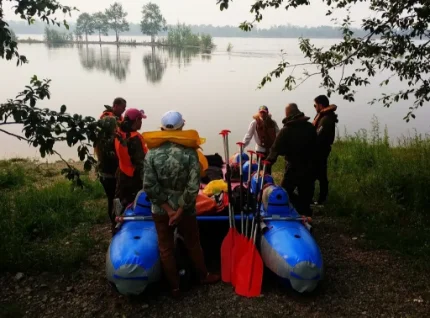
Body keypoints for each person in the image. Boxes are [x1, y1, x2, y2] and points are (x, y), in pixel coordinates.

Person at [143, 111, 220, 298]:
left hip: (161, 210)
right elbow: (193, 186)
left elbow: (149, 186)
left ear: (161, 129)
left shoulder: (151, 154)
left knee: (165, 248)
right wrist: (178, 211)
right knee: (193, 243)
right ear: (182, 128)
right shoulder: (189, 153)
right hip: (185, 209)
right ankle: (203, 275)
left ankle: (175, 287)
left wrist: (169, 211)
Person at [266, 103, 317, 216]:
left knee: (283, 193)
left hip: (293, 168)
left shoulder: (286, 131)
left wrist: (266, 167)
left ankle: (296, 213)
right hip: (310, 167)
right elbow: (316, 147)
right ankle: (306, 217)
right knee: (306, 196)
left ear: (288, 115)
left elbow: (274, 151)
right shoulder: (310, 127)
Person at [95, 97, 126, 229]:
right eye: (123, 107)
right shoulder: (108, 121)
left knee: (115, 196)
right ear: (115, 106)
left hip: (109, 169)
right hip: (109, 170)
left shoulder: (115, 120)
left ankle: (116, 221)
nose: (124, 110)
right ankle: (114, 223)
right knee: (113, 197)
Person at [113, 108, 148, 220]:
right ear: (136, 120)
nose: (141, 122)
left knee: (120, 201)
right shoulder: (135, 139)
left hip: (122, 172)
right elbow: (140, 164)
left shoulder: (119, 132)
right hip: (133, 178)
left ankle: (116, 224)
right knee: (132, 203)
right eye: (140, 119)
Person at [312, 95, 339, 205]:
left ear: (321, 105)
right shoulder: (323, 116)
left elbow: (318, 135)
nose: (315, 107)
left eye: (315, 105)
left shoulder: (326, 119)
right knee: (318, 174)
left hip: (321, 150)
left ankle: (321, 199)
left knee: (320, 174)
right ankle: (318, 198)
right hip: (320, 149)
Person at [242, 105, 280, 174]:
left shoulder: (272, 123)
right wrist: (242, 146)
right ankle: (259, 183)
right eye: (261, 112)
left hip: (270, 150)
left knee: (268, 169)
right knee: (260, 168)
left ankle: (267, 182)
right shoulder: (254, 123)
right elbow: (248, 135)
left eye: (264, 112)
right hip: (260, 150)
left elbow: (278, 135)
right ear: (258, 113)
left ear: (267, 113)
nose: (262, 114)